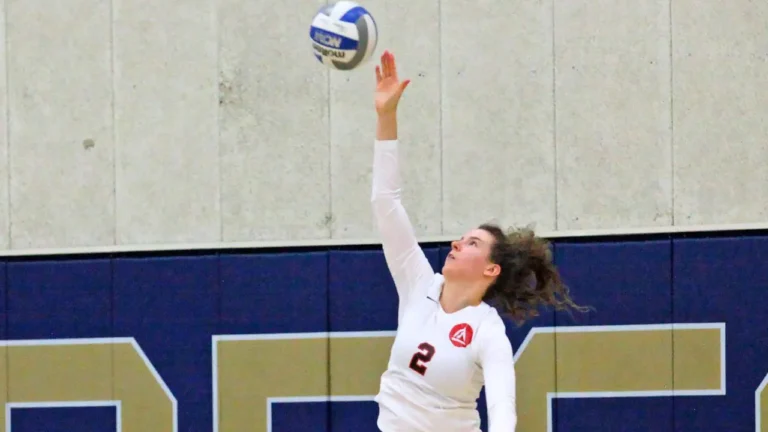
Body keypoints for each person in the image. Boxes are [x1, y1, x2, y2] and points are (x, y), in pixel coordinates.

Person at [370, 50, 589, 432]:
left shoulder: (487, 331)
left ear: (491, 268)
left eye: (472, 243)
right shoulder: (419, 284)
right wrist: (386, 116)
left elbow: (503, 410)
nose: (456, 244)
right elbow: (384, 203)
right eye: (462, 238)